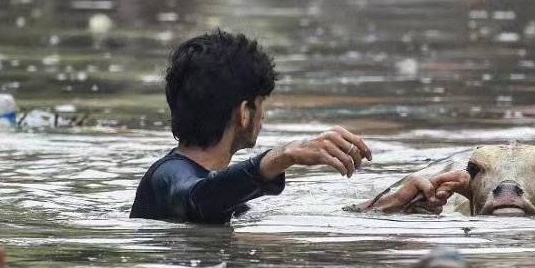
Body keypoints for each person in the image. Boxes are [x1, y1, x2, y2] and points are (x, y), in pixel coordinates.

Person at [130, 29, 376, 224]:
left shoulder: (227, 196)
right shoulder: (167, 176)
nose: (263, 117)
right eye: (261, 104)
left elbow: (217, 197)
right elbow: (198, 198)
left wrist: (381, 206)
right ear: (244, 113)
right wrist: (282, 156)